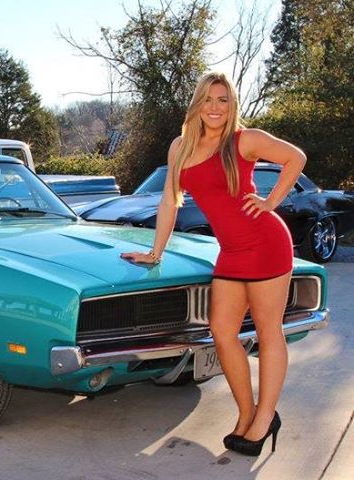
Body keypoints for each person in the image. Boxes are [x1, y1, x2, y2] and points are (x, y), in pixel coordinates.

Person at [121, 71, 306, 456]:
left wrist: (271, 202)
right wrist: (155, 251)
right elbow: (169, 200)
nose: (215, 107)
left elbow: (295, 157)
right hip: (232, 252)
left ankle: (263, 418)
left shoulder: (244, 139)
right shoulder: (181, 147)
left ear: (231, 104)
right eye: (208, 99)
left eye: (223, 100)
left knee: (268, 331)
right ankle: (247, 413)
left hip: (266, 244)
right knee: (222, 332)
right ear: (197, 104)